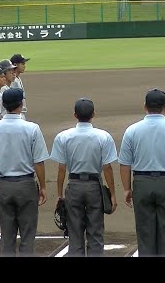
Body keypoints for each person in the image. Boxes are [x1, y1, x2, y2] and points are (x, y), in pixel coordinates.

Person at [118, 88, 165, 257]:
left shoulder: (132, 130)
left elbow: (124, 164)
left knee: (145, 232)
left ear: (145, 107)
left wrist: (126, 189)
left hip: (142, 183)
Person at [0, 88, 50, 257]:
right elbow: (39, 162)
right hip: (26, 185)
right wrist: (42, 186)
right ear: (21, 104)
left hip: (4, 185)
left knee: (7, 237)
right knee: (28, 235)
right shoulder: (32, 128)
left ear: (3, 105)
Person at [50, 98, 118, 256]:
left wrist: (60, 194)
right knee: (96, 231)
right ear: (93, 114)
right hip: (94, 187)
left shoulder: (63, 137)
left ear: (75, 115)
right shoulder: (103, 136)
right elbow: (107, 168)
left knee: (74, 231)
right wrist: (113, 194)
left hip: (73, 186)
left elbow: (61, 169)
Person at [10, 54, 29, 120]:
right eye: (22, 63)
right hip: (17, 114)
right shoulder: (13, 81)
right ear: (15, 65)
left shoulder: (17, 78)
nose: (24, 66)